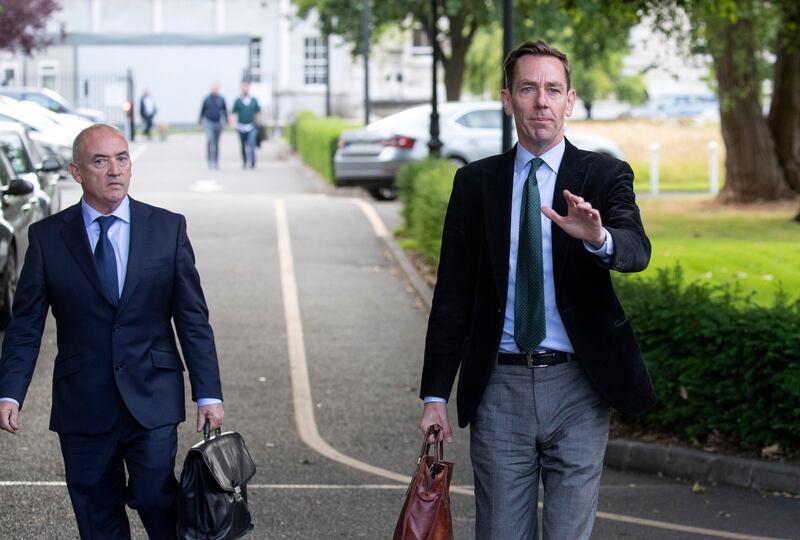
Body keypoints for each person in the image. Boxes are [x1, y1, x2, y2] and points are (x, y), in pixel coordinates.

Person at [418, 40, 657, 540]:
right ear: (508, 99)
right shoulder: (475, 183)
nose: (540, 101)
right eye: (528, 88)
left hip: (578, 387)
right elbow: (453, 297)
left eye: (552, 89)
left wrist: (599, 238)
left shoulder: (603, 174)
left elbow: (636, 249)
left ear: (570, 100)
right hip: (499, 389)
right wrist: (436, 394)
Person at [0, 124, 225, 539]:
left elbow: (192, 317)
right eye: (100, 161)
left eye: (121, 158)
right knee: (97, 518)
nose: (114, 170)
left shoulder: (167, 229)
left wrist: (208, 392)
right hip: (83, 403)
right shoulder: (47, 238)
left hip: (152, 396)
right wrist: (9, 391)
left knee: (160, 501)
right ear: (76, 171)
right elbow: (26, 325)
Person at [231, 81, 261, 169]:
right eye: (243, 87)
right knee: (243, 145)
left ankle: (253, 161)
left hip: (251, 126)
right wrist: (233, 124)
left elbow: (258, 112)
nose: (245, 89)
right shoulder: (238, 100)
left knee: (251, 143)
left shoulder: (253, 100)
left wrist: (259, 124)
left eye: (246, 87)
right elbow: (233, 113)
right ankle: (244, 161)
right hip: (241, 126)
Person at [199, 82, 228, 169]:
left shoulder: (221, 99)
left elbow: (225, 111)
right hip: (208, 122)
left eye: (216, 88)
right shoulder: (207, 99)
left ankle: (215, 161)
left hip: (218, 123)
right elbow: (202, 110)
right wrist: (200, 121)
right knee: (210, 140)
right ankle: (210, 161)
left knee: (216, 143)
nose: (214, 89)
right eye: (213, 87)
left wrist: (226, 121)